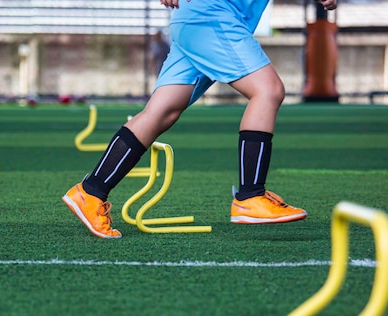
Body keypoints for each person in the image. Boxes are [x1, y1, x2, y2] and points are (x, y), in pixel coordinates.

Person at [62, 0, 338, 239]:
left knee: (162, 112)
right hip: (212, 15)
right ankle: (250, 197)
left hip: (196, 19)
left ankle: (91, 192)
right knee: (268, 90)